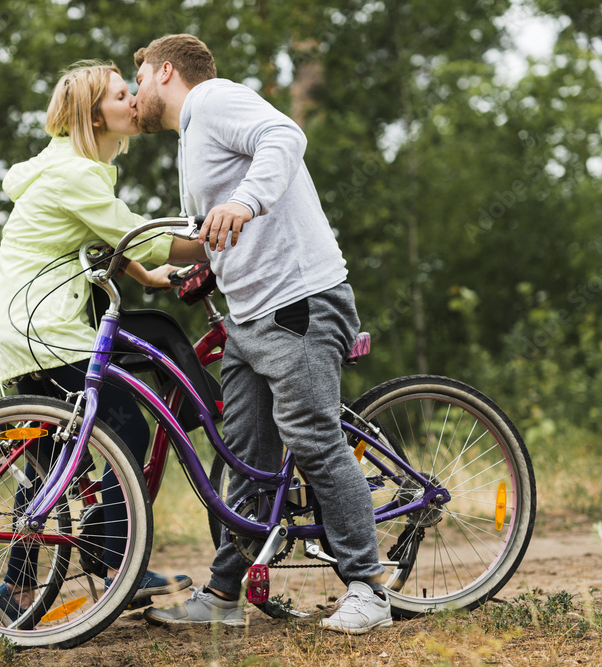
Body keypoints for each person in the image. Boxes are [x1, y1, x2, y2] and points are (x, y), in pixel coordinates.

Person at [131, 35, 392, 635]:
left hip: (298, 302)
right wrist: (193, 267)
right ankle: (224, 595)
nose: (135, 89)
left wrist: (246, 202)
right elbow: (222, 231)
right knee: (243, 457)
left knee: (314, 438)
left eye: (138, 75)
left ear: (165, 71)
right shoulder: (191, 139)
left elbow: (286, 138)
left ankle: (368, 589)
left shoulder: (215, 100)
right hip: (249, 318)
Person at [0, 60, 205, 623]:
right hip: (45, 329)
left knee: (51, 467)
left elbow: (101, 238)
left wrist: (148, 279)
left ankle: (17, 589)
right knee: (126, 428)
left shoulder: (61, 167)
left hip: (11, 331)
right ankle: (113, 559)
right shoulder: (78, 174)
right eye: (121, 95)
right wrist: (213, 243)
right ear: (92, 115)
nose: (133, 102)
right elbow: (132, 234)